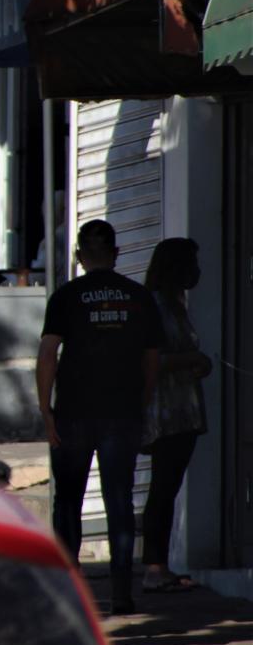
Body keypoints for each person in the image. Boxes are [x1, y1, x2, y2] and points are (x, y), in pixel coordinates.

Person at [37, 219, 163, 615]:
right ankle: (121, 593)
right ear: (116, 253)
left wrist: (45, 409)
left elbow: (47, 355)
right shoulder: (138, 296)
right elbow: (151, 358)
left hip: (74, 411)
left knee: (68, 501)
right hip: (121, 412)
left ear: (79, 256)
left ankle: (66, 589)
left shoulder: (66, 297)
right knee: (119, 501)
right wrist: (142, 400)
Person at [141, 237, 209, 593]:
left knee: (168, 487)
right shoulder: (156, 306)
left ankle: (159, 563)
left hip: (183, 409)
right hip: (167, 412)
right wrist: (192, 360)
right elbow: (150, 359)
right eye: (192, 265)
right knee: (163, 488)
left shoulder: (176, 304)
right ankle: (154, 565)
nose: (198, 273)